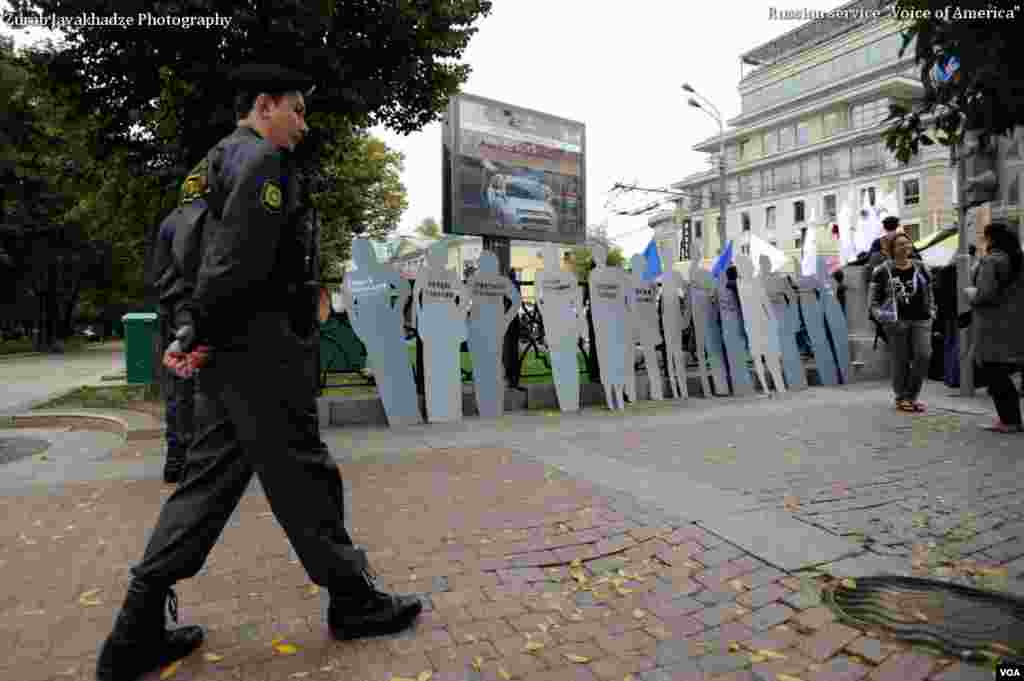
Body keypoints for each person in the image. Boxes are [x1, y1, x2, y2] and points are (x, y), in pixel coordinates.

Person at [96, 65, 421, 681]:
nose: (303, 123)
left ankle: (134, 630)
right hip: (262, 351)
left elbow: (176, 253)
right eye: (296, 110)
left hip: (228, 353)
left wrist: (191, 328)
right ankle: (353, 600)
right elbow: (235, 261)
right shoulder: (261, 161)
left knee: (207, 484)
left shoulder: (207, 167)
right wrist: (205, 330)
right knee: (305, 474)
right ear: (265, 106)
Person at [149, 205, 194, 484]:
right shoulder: (217, 215)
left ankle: (176, 457)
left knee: (178, 387)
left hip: (174, 308)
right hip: (198, 308)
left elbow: (158, 272)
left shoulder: (170, 221)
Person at [965, 222, 1024, 433]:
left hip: (993, 326)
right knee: (1005, 371)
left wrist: (972, 293)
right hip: (1016, 324)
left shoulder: (991, 261)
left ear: (991, 239)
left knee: (994, 372)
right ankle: (1013, 419)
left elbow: (985, 294)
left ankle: (1009, 421)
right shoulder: (1019, 259)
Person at [869, 232, 935, 412]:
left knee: (923, 355)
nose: (905, 247)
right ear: (891, 249)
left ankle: (911, 396)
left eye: (907, 243)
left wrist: (932, 312)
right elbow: (873, 302)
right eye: (900, 245)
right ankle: (902, 397)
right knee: (901, 360)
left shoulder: (921, 267)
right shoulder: (881, 270)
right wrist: (884, 318)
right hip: (896, 322)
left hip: (921, 319)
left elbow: (929, 292)